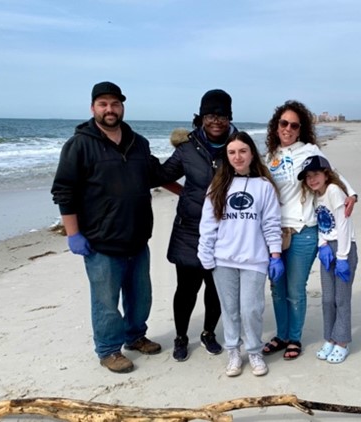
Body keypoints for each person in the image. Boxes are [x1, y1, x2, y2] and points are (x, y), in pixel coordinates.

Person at [51, 81, 164, 373]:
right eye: (103, 104)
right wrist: (73, 234)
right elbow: (64, 190)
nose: (109, 109)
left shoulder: (138, 142)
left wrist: (194, 193)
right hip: (100, 242)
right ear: (93, 108)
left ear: (122, 107)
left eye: (115, 104)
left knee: (141, 295)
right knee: (106, 301)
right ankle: (108, 350)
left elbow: (156, 174)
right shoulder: (80, 144)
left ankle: (135, 336)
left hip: (137, 238)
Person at [262, 100, 358, 360]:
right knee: (276, 288)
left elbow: (334, 174)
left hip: (304, 231)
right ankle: (281, 335)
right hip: (275, 232)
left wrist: (352, 193)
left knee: (295, 288)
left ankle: (294, 337)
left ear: (300, 128)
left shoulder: (309, 150)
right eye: (284, 123)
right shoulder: (270, 156)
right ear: (276, 125)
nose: (288, 128)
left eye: (294, 125)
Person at [159, 89, 238, 361]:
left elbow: (256, 179)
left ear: (230, 117)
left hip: (226, 231)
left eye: (223, 116)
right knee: (187, 288)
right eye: (211, 115)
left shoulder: (237, 147)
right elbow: (161, 175)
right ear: (202, 117)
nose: (217, 121)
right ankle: (181, 337)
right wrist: (184, 193)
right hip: (189, 230)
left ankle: (208, 333)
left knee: (215, 288)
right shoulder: (187, 149)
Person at [198, 132, 284, 377]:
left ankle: (254, 351)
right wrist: (205, 254)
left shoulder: (264, 186)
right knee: (230, 309)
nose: (237, 156)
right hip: (223, 259)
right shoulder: (218, 184)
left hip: (254, 259)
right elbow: (208, 223)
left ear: (251, 153)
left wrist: (275, 255)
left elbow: (271, 223)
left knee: (251, 309)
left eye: (242, 151)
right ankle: (233, 351)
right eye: (232, 152)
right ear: (227, 156)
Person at [298, 155, 358, 364]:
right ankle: (330, 337)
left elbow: (343, 225)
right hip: (328, 249)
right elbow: (322, 223)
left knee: (341, 299)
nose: (312, 179)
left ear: (326, 174)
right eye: (308, 177)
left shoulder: (333, 191)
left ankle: (342, 341)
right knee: (327, 298)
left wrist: (342, 257)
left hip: (344, 248)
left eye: (315, 174)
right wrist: (322, 245)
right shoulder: (317, 195)